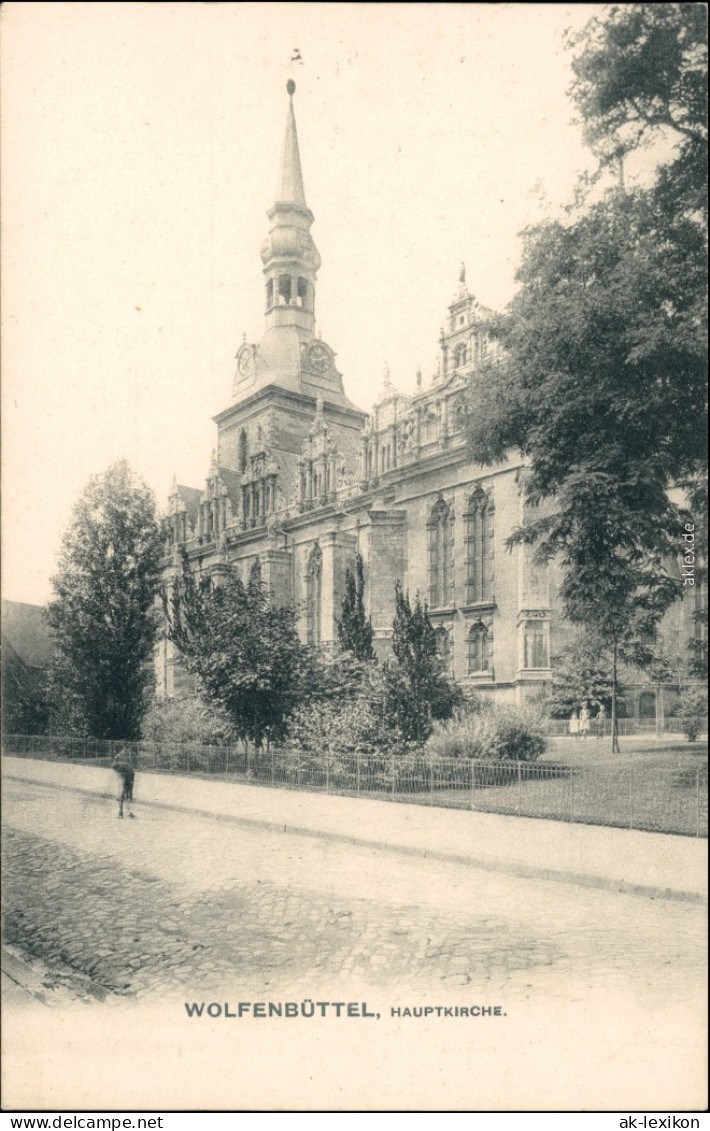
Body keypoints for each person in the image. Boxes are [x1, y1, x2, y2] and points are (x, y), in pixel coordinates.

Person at [112, 747, 137, 819]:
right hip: (123, 775)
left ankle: (128, 813)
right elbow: (114, 766)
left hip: (129, 774)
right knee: (122, 793)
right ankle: (121, 813)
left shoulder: (131, 754)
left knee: (129, 794)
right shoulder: (119, 756)